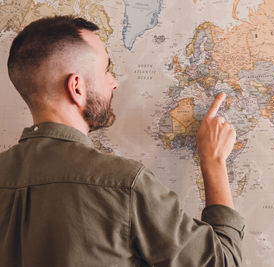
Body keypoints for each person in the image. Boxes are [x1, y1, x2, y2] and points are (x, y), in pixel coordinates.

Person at [0, 15, 244, 266]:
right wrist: (214, 163)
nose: (113, 83)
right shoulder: (124, 184)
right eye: (106, 70)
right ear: (76, 88)